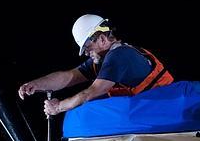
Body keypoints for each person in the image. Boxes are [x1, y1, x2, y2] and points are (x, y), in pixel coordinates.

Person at [17, 14, 174, 115]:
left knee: (84, 113)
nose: (86, 53)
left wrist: (59, 107)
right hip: (149, 112)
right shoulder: (102, 59)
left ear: (102, 39)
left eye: (87, 48)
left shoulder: (119, 56)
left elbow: (92, 91)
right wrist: (36, 84)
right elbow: (69, 76)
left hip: (165, 110)